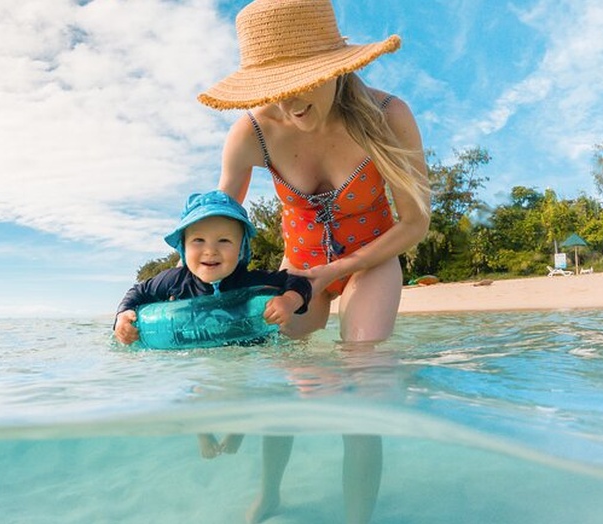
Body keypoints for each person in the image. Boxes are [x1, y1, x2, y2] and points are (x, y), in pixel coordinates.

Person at [197, 0, 431, 522]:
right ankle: (271, 492)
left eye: (301, 83)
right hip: (297, 269)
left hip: (371, 259)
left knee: (363, 376)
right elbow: (218, 234)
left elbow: (415, 223)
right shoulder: (252, 133)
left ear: (334, 67)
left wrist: (337, 271)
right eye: (272, 94)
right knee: (284, 378)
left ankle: (356, 517)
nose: (288, 108)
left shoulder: (386, 116)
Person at [113, 189, 313, 458]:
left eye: (224, 240)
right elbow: (139, 292)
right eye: (198, 240)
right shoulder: (174, 280)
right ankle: (204, 432)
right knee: (196, 389)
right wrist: (123, 316)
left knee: (248, 390)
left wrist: (289, 301)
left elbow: (297, 281)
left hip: (246, 350)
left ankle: (237, 429)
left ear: (242, 248)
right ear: (183, 247)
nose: (210, 250)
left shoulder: (249, 281)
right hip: (198, 355)